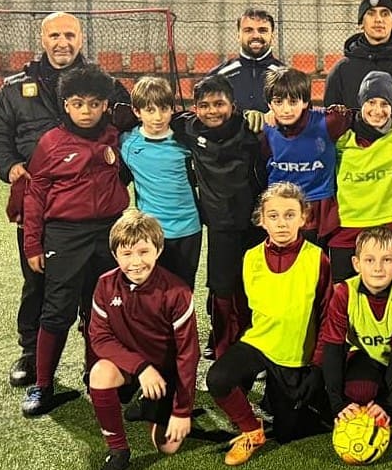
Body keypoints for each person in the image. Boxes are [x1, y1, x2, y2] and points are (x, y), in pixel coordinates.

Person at [0, 11, 127, 387]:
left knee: (99, 288)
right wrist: (12, 167)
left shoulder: (107, 85)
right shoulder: (15, 88)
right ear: (42, 40)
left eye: (70, 35)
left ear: (81, 39)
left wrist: (115, 176)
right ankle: (32, 353)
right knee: (38, 281)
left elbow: (129, 132)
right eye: (55, 36)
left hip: (96, 211)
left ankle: (99, 358)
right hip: (37, 201)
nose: (63, 43)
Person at [20, 63, 132, 417]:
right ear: (66, 104)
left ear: (105, 105)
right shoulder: (51, 142)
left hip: (109, 232)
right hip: (65, 235)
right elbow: (34, 195)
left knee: (102, 309)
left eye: (94, 103)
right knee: (57, 311)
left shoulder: (115, 136)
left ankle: (96, 376)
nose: (86, 111)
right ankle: (43, 385)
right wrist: (33, 244)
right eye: (78, 103)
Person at [206, 182, 333, 466]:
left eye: (290, 215)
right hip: (259, 343)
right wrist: (231, 355)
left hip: (295, 356)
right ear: (261, 220)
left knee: (289, 432)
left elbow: (327, 314)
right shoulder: (250, 257)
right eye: (273, 216)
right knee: (218, 378)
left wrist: (318, 365)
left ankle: (300, 402)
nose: (282, 223)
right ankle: (252, 431)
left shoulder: (317, 258)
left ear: (304, 218)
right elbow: (240, 311)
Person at [86, 210, 200, 470]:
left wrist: (182, 411)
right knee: (99, 374)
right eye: (126, 254)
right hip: (133, 366)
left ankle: (150, 402)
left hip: (165, 372)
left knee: (168, 446)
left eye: (143, 252)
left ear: (158, 250)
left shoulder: (177, 292)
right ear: (115, 255)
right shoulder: (105, 285)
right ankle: (118, 451)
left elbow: (188, 355)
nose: (136, 262)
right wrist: (141, 368)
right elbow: (99, 338)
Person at [317, 225, 392, 447]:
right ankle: (362, 405)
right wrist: (337, 404)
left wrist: (386, 402)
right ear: (356, 263)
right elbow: (332, 348)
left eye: (386, 260)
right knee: (358, 391)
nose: (378, 268)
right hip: (365, 361)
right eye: (370, 260)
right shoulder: (343, 293)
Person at [171, 75, 266, 360]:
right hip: (219, 225)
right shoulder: (188, 129)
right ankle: (222, 341)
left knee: (252, 284)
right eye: (204, 105)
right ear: (195, 108)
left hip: (253, 222)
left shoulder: (249, 131)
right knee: (221, 286)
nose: (212, 111)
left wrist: (261, 116)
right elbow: (165, 118)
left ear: (233, 106)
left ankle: (252, 339)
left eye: (219, 104)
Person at [323, 71, 392, 282]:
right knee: (342, 293)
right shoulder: (341, 133)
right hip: (347, 226)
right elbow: (305, 126)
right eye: (371, 102)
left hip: (389, 224)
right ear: (361, 102)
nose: (377, 110)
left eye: (385, 104)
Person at [119, 77, 203, 289]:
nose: (158, 117)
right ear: (137, 112)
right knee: (153, 290)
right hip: (152, 231)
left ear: (172, 109)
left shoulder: (185, 140)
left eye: (164, 109)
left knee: (184, 289)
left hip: (189, 228)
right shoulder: (127, 143)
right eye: (150, 110)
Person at [259, 67, 353, 240]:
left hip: (319, 207)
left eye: (293, 102)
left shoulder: (329, 122)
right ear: (269, 104)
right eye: (278, 102)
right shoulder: (263, 128)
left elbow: (363, 118)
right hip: (279, 206)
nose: (286, 110)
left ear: (305, 101)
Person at [209, 8, 283, 112]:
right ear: (238, 36)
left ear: (272, 36)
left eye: (262, 30)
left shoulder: (286, 76)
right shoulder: (219, 76)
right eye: (248, 30)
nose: (256, 36)